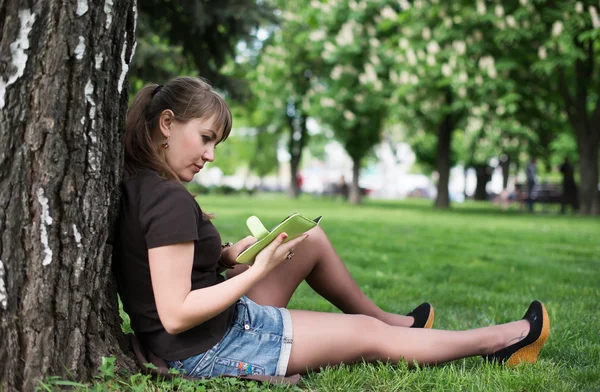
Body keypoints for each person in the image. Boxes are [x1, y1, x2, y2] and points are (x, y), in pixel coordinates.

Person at [113, 77, 550, 380]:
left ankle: (398, 324)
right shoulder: (165, 198)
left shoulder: (145, 185)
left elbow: (167, 269)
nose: (210, 155)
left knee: (307, 240)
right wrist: (258, 270)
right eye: (206, 138)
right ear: (167, 123)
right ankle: (503, 340)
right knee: (368, 338)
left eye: (215, 143)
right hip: (209, 348)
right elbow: (175, 313)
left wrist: (229, 255)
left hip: (209, 332)